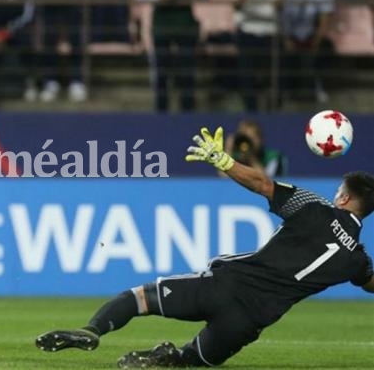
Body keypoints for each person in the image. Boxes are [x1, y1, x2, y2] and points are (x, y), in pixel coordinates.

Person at [35, 126, 374, 368]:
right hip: (249, 322)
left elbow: (263, 184)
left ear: (343, 198)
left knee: (138, 299)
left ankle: (92, 331)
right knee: (191, 362)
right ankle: (169, 357)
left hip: (224, 287)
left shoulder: (314, 207)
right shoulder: (357, 261)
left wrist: (224, 161)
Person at [135, 0, 210, 113]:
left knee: (187, 72)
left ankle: (187, 112)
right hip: (162, 25)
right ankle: (161, 111)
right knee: (161, 72)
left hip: (186, 25)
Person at [232, 0, 284, 112]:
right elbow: (236, 5)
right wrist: (240, 0)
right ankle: (251, 109)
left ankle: (273, 109)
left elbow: (280, 4)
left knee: (273, 76)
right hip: (247, 31)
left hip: (270, 32)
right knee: (247, 76)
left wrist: (279, 1)